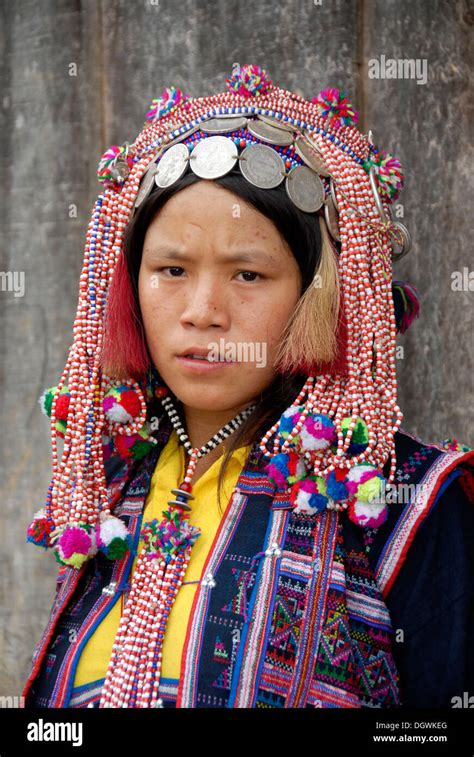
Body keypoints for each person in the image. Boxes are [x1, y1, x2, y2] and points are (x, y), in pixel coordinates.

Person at [22, 63, 473, 709]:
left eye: (249, 275)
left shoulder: (401, 503)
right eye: (171, 268)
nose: (202, 309)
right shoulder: (106, 489)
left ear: (319, 296)